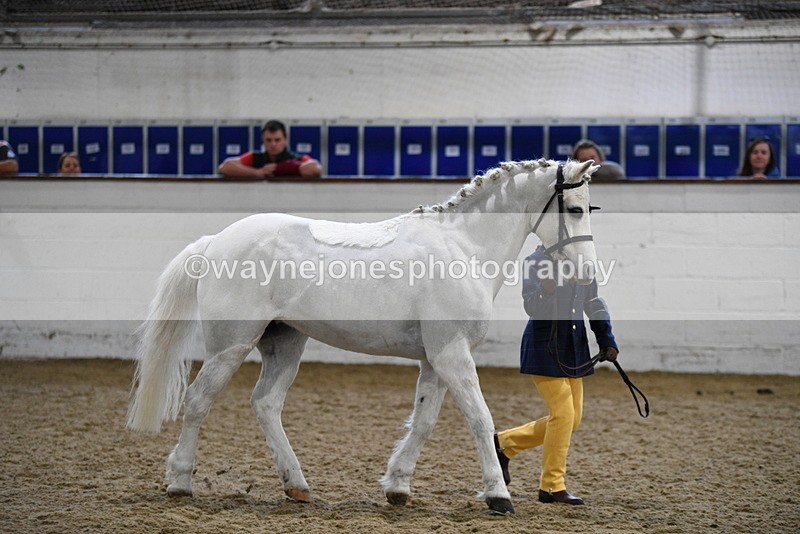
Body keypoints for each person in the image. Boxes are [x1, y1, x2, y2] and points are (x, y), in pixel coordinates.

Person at [494, 245, 619, 505]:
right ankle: (551, 486)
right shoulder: (535, 262)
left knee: (572, 419)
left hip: (574, 348)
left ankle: (504, 443)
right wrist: (547, 289)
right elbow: (531, 306)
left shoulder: (583, 260)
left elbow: (593, 302)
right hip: (544, 347)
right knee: (563, 416)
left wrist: (606, 338)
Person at [218, 120, 322, 178]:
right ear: (263, 140)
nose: (273, 144)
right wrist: (257, 172)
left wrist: (280, 168)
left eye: (277, 140)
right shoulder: (255, 158)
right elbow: (225, 167)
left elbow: (315, 168)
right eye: (269, 140)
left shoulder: (295, 158)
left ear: (285, 139)